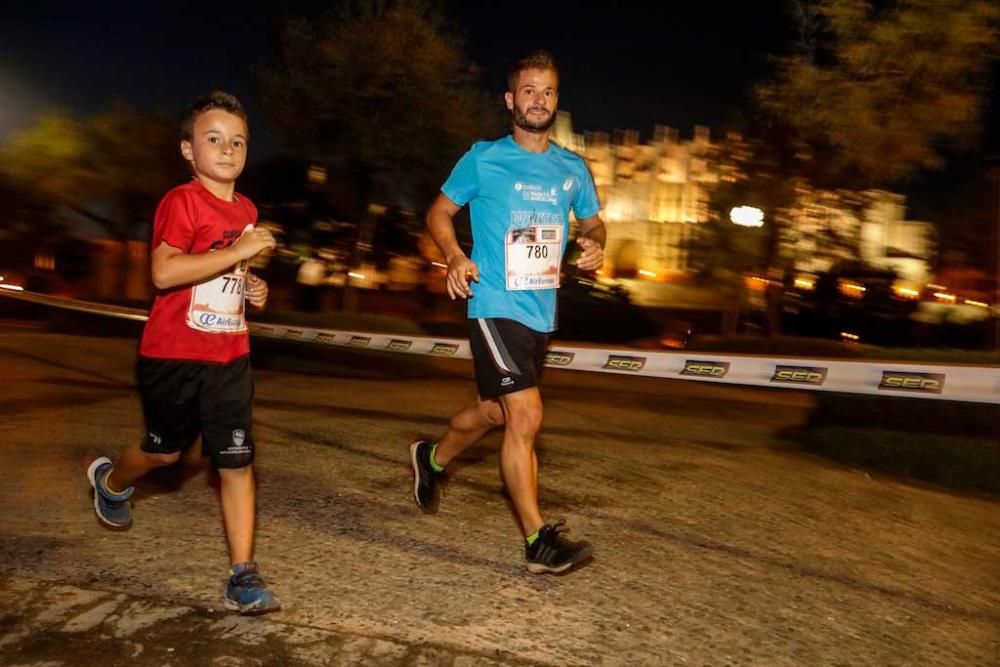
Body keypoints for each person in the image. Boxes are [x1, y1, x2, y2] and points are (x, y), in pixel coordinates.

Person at [411, 51, 607, 574]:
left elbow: (592, 223)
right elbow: (439, 211)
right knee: (527, 415)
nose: (537, 100)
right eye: (527, 91)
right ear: (510, 99)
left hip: (541, 311)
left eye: (546, 92)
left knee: (497, 411)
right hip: (493, 302)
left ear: (556, 101)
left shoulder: (572, 167)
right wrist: (454, 256)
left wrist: (594, 245)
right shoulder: (483, 158)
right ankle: (537, 541)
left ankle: (431, 459)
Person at [86, 91, 281, 614]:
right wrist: (241, 251)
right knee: (166, 453)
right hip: (171, 356)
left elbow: (225, 272)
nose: (226, 149)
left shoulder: (246, 210)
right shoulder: (180, 201)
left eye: (237, 141)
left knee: (237, 462)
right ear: (188, 151)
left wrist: (251, 287)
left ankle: (243, 574)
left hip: (229, 356)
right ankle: (110, 481)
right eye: (213, 139)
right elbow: (165, 272)